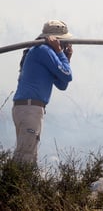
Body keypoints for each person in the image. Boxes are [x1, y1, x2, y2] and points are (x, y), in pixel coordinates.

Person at [12, 20, 73, 164]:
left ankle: (22, 186)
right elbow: (68, 75)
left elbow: (62, 83)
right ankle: (11, 186)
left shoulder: (45, 52)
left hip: (29, 108)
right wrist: (60, 53)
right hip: (30, 108)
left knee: (29, 155)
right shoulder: (43, 51)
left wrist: (66, 58)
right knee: (25, 155)